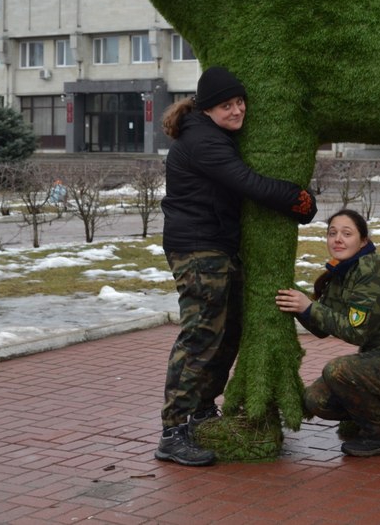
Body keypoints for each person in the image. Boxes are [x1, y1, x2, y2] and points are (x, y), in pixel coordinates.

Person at [155, 65, 318, 467]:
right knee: (200, 337)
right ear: (208, 109)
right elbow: (246, 182)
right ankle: (173, 431)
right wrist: (299, 201)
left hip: (216, 248)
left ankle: (203, 410)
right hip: (197, 250)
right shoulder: (203, 142)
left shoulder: (212, 134)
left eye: (240, 102)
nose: (237, 111)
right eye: (227, 105)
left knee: (227, 332)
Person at [274, 208, 380, 457]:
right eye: (332, 233)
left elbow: (356, 331)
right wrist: (298, 305)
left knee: (337, 370)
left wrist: (309, 306)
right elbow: (321, 328)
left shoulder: (371, 270)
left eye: (347, 233)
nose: (338, 238)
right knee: (316, 399)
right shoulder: (342, 272)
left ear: (363, 240)